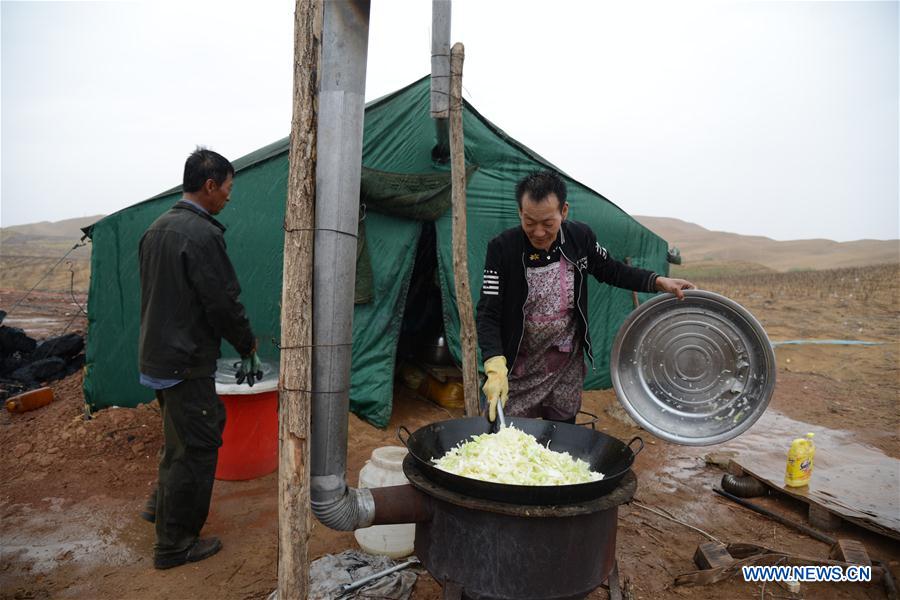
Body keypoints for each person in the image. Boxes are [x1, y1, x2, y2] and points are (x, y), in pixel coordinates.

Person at [476, 170, 695, 423]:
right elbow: (488, 312)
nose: (538, 232)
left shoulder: (580, 238)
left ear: (564, 211)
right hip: (517, 364)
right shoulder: (503, 248)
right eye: (529, 222)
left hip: (563, 363)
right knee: (505, 436)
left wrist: (657, 281)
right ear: (520, 213)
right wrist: (494, 365)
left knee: (558, 437)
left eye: (548, 223)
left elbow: (611, 270)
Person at [138, 148, 260, 570]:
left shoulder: (157, 228)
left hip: (156, 357)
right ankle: (174, 545)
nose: (228, 197)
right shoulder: (201, 235)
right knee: (198, 448)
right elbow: (223, 302)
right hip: (184, 360)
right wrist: (247, 345)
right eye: (227, 189)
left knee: (180, 438)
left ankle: (159, 507)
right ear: (209, 186)